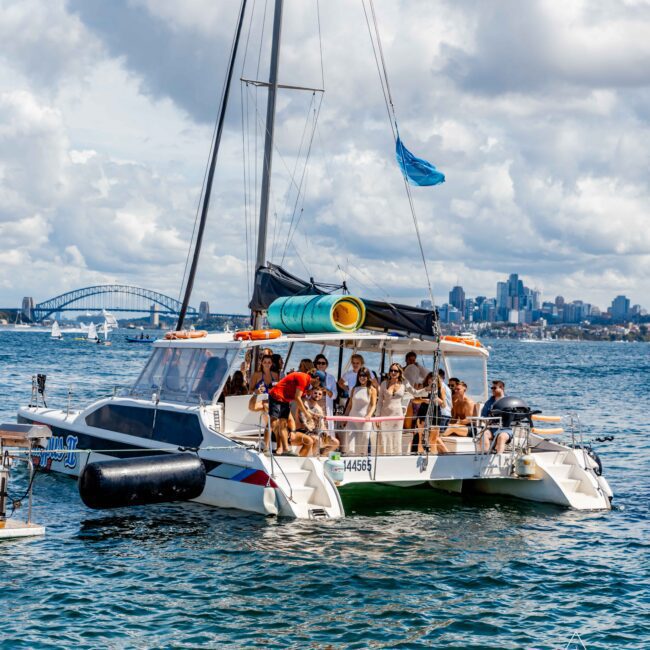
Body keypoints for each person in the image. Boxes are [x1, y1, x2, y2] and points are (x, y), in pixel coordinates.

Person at [268, 369, 325, 456]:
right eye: (319, 383)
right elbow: (297, 398)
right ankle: (268, 446)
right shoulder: (303, 380)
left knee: (283, 423)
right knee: (274, 422)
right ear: (317, 379)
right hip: (276, 397)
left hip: (284, 401)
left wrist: (311, 414)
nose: (319, 386)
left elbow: (299, 401)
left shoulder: (306, 387)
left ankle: (286, 450)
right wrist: (306, 414)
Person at [343, 367, 377, 455]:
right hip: (352, 420)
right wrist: (345, 418)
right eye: (361, 375)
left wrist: (369, 415)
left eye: (365, 375)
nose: (362, 377)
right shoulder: (354, 389)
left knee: (363, 449)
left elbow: (373, 405)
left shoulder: (372, 390)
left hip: (365, 421)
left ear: (368, 377)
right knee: (351, 449)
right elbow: (350, 405)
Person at [376, 363, 406, 455]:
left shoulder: (403, 385)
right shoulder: (384, 383)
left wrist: (427, 389)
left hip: (398, 416)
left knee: (396, 437)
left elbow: (415, 392)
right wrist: (377, 416)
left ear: (400, 373)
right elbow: (380, 401)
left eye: (395, 371)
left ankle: (396, 459)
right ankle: (384, 458)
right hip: (385, 415)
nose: (393, 372)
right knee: (385, 437)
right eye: (391, 370)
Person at [480, 381, 511, 453]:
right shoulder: (489, 402)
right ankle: (484, 457)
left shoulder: (509, 401)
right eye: (492, 388)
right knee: (483, 434)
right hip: (492, 429)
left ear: (502, 388)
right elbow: (483, 416)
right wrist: (488, 421)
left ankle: (499, 459)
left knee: (501, 437)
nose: (492, 390)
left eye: (494, 388)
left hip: (506, 429)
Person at [313, 354, 338, 431]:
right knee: (314, 427)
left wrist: (326, 390)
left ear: (326, 365)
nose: (321, 365)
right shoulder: (311, 376)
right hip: (314, 405)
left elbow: (335, 395)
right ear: (316, 364)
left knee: (326, 429)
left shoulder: (331, 378)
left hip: (326, 406)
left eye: (323, 363)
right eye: (319, 363)